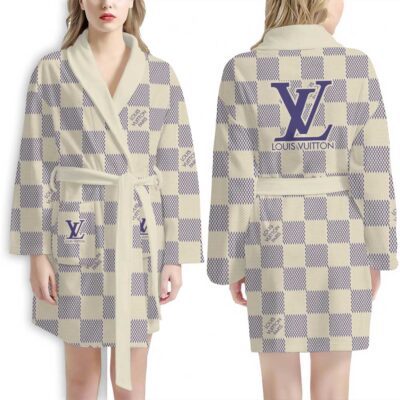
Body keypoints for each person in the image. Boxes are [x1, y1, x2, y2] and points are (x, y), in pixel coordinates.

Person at [8, 0, 203, 399]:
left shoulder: (160, 75)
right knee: (81, 381)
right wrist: (37, 253)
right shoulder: (52, 71)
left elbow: (177, 168)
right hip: (75, 230)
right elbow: (35, 163)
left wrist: (175, 255)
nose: (107, 3)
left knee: (130, 383)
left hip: (139, 233)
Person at [206, 0, 398, 399]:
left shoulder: (243, 69)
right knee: (333, 387)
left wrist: (232, 259)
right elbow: (374, 170)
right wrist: (380, 252)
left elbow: (233, 176)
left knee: (279, 384)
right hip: (341, 238)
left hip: (271, 238)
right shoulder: (356, 67)